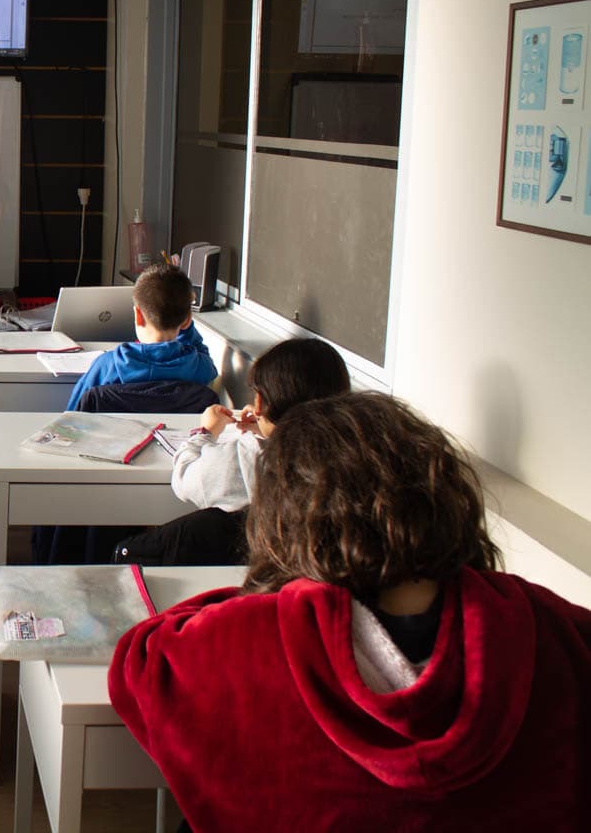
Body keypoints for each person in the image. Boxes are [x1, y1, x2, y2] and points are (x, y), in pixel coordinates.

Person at [110, 394, 591, 831]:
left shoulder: (244, 641)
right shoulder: (556, 633)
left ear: (285, 514)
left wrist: (262, 596)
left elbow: (139, 662)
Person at [113, 336, 351, 565]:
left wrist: (205, 432)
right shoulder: (354, 461)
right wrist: (267, 426)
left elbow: (184, 479)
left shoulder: (245, 457)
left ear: (258, 404)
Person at [66, 263, 216, 410]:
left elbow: (72, 413)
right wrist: (186, 325)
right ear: (187, 320)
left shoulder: (108, 365)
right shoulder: (198, 367)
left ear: (138, 315)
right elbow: (204, 355)